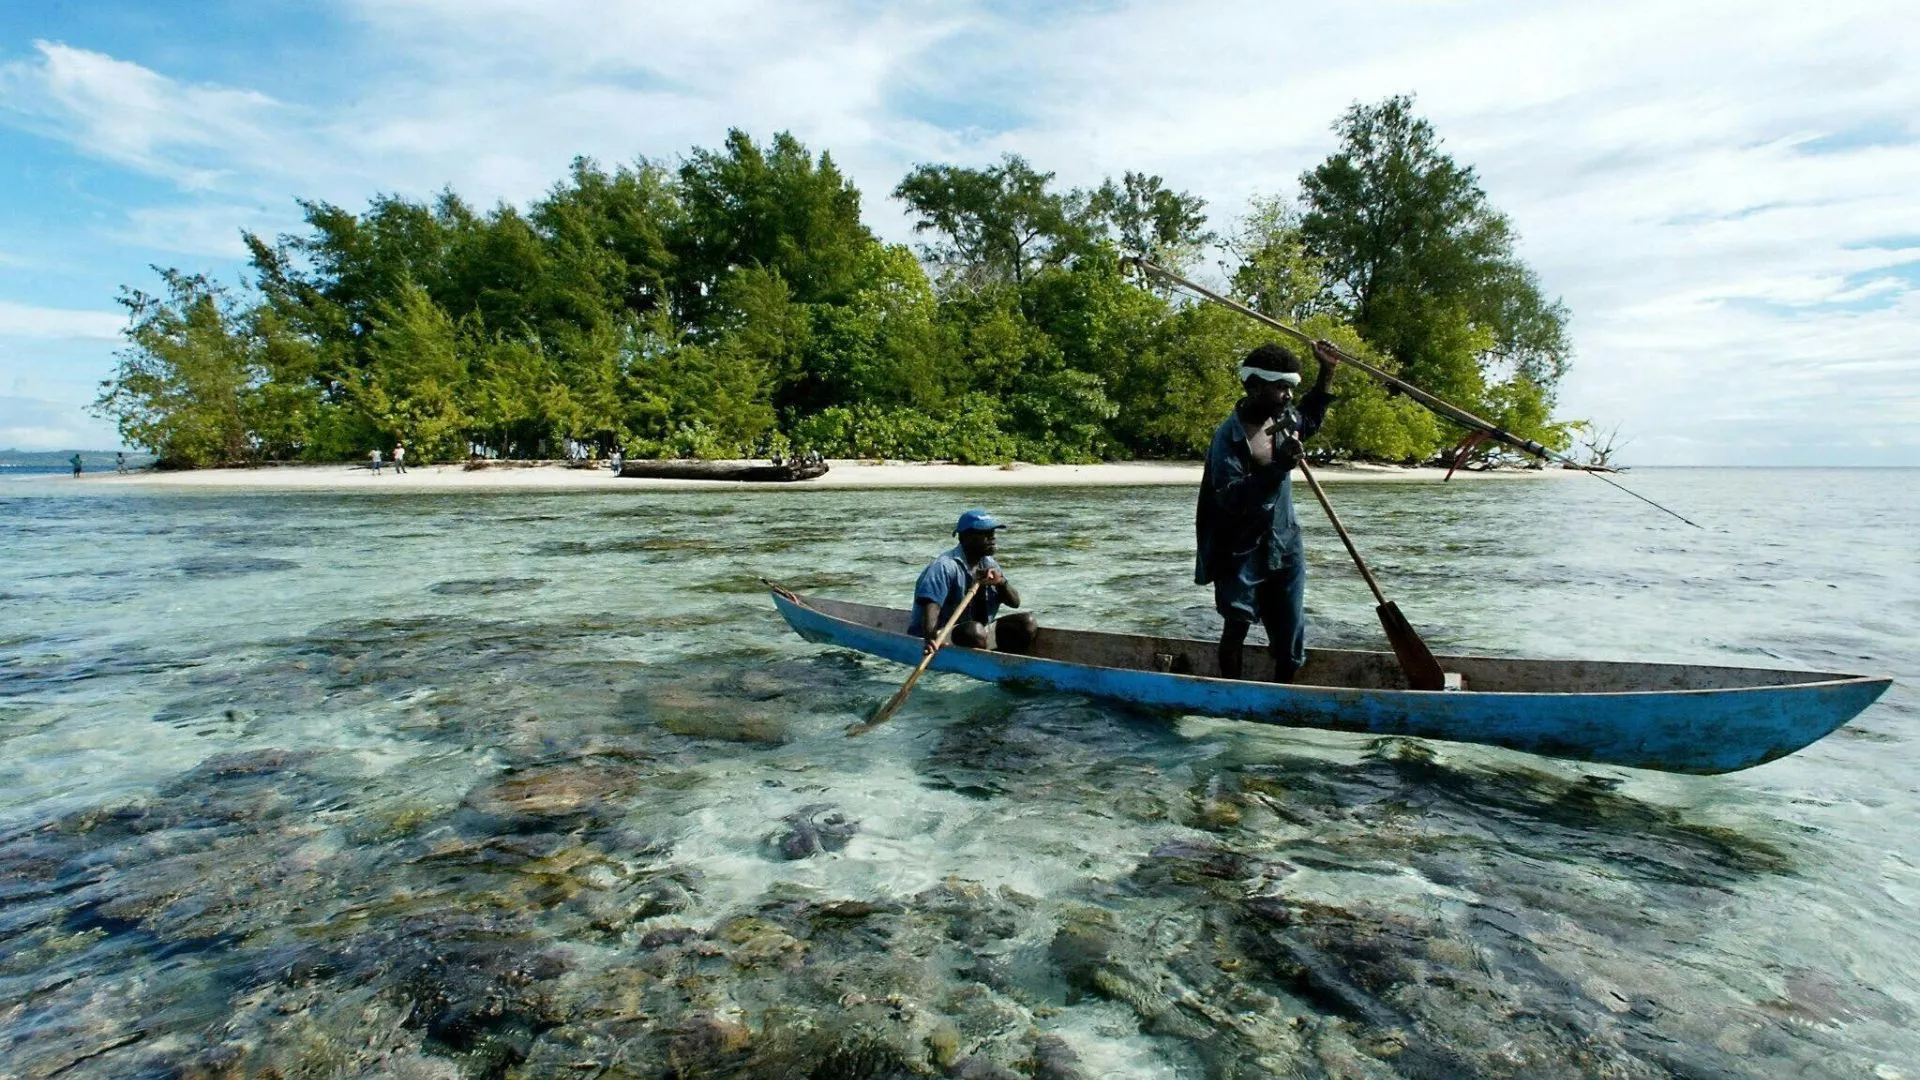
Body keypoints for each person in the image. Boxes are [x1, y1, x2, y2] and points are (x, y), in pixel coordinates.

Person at [1195, 339, 1341, 682]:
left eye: (1291, 388)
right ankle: (1232, 699)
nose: (1288, 396)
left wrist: (1328, 370)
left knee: (1290, 631)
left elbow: (1313, 416)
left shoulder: (1286, 420)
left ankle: (1282, 700)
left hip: (1285, 542)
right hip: (1241, 548)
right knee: (1236, 628)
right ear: (1256, 385)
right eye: (1281, 388)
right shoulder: (1227, 440)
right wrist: (1278, 468)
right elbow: (1231, 498)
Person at [910, 509, 1037, 655]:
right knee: (975, 631)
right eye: (985, 534)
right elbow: (931, 605)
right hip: (940, 634)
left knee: (1028, 622)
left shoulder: (990, 564)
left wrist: (1000, 582)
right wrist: (929, 638)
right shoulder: (945, 566)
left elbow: (1015, 603)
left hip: (978, 633)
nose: (992, 538)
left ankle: (1002, 658)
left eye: (993, 533)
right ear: (965, 538)